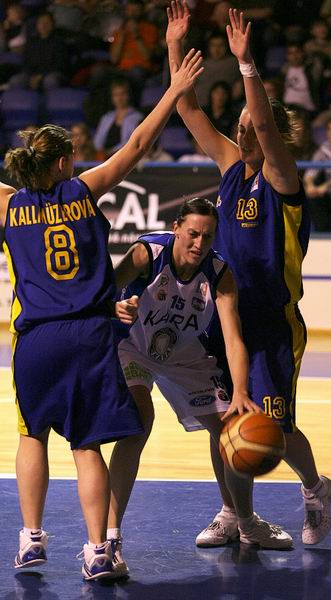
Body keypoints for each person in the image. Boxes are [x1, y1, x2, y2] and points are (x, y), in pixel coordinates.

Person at [0, 47, 204, 580]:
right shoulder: (84, 190)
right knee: (86, 444)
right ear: (63, 162)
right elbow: (136, 145)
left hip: (35, 338)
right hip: (89, 335)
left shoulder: (8, 204)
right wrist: (173, 89)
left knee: (31, 437)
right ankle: (97, 552)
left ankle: (30, 541)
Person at [166, 1, 331, 548]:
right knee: (225, 421)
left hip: (273, 323)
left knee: (275, 427)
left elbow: (263, 120)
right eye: (238, 127)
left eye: (248, 128)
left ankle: (315, 489)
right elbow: (188, 108)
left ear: (271, 137)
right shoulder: (230, 167)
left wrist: (245, 64)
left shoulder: (283, 178)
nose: (241, 133)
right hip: (226, 317)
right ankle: (235, 514)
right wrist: (174, 45)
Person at [107, 197, 294, 577]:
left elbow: (233, 339)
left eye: (207, 237)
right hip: (133, 348)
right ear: (176, 227)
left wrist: (240, 391)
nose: (199, 243)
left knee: (232, 429)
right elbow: (102, 291)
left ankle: (243, 522)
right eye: (193, 233)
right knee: (140, 422)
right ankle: (109, 540)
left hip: (186, 357)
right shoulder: (147, 253)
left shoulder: (219, 273)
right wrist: (114, 307)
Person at [93, 78, 143, 160]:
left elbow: (131, 142)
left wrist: (110, 153)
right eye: (116, 95)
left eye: (123, 94)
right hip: (103, 158)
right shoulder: (106, 118)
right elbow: (97, 142)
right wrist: (101, 154)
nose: (120, 98)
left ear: (128, 95)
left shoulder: (137, 117)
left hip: (124, 157)